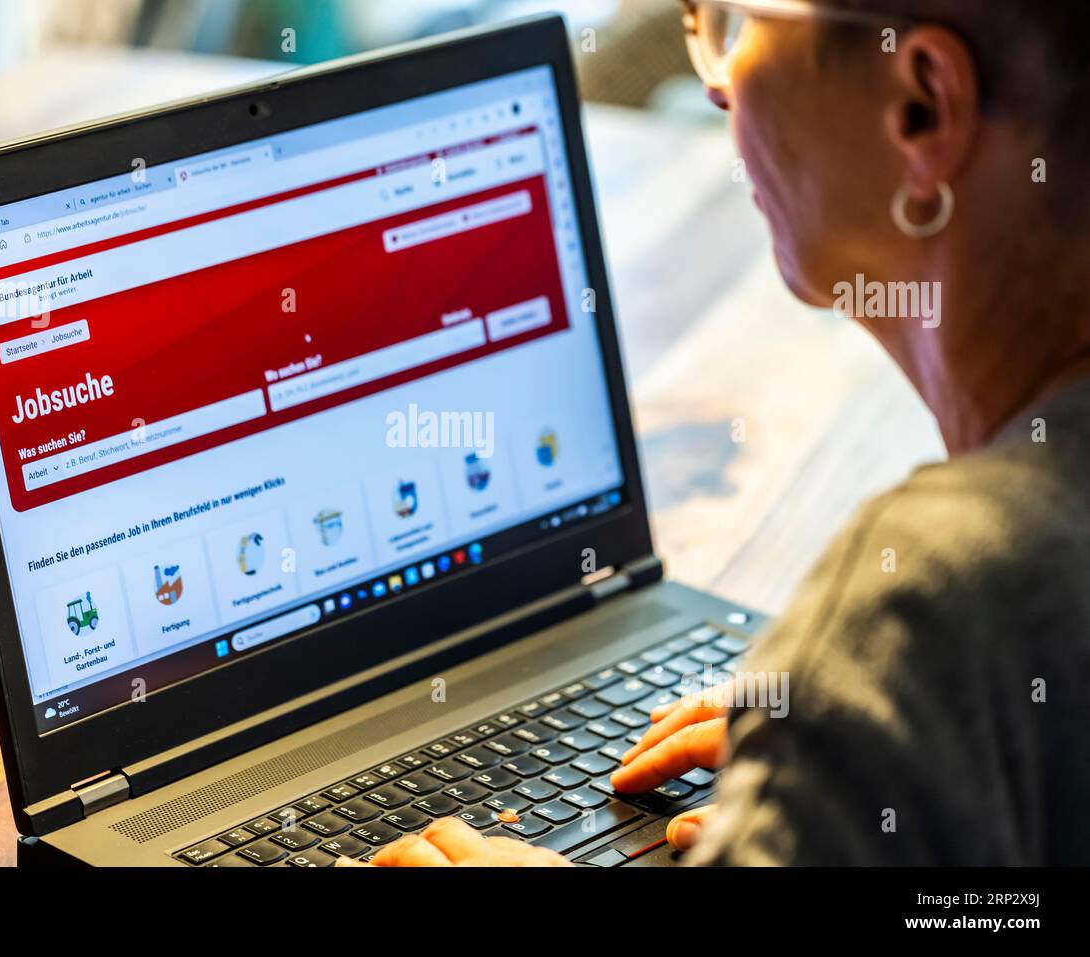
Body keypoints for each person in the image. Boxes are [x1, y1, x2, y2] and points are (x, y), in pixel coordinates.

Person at [339, 0, 1090, 867]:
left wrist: (893, 695)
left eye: (735, 20)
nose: (719, 83)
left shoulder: (942, 593)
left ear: (921, 106)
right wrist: (868, 755)